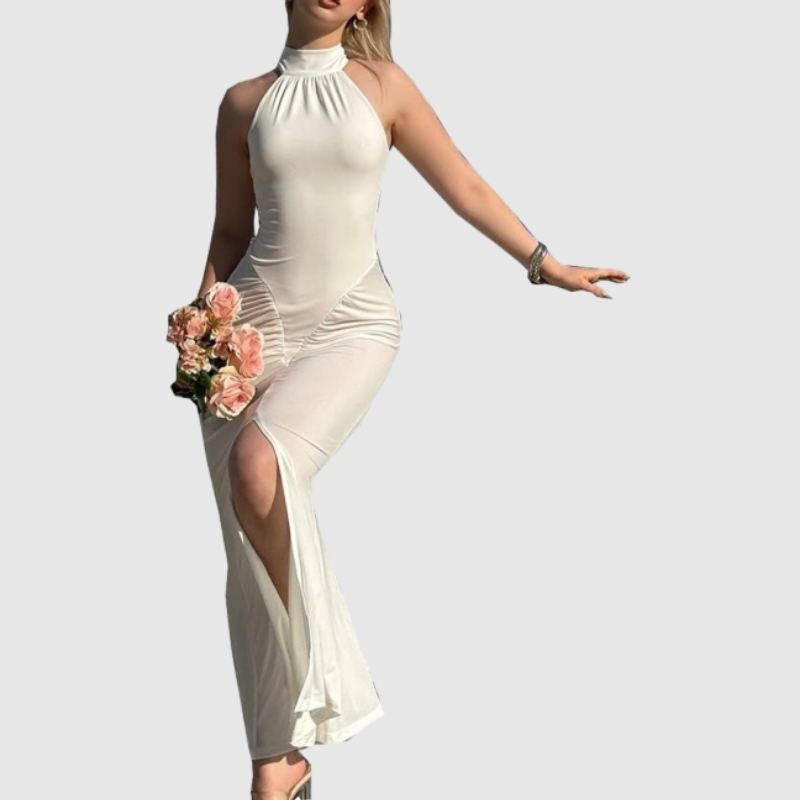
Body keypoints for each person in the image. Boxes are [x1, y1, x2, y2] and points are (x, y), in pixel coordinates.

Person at [191, 1, 630, 798]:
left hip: (353, 321)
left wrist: (545, 264)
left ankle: (317, 688)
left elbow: (462, 182)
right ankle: (276, 760)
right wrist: (203, 319)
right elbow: (230, 229)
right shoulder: (243, 102)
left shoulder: (383, 86)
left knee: (262, 467)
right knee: (246, 540)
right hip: (248, 329)